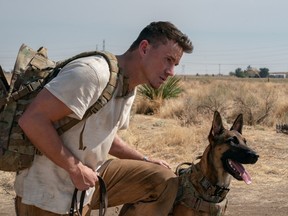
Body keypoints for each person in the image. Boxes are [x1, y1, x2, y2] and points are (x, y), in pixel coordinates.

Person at [14, 21, 193, 216]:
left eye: (175, 64)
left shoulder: (128, 86)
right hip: (49, 196)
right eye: (168, 59)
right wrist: (75, 169)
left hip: (86, 183)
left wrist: (145, 160)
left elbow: (104, 136)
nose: (171, 71)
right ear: (144, 48)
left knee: (161, 179)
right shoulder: (92, 74)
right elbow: (32, 120)